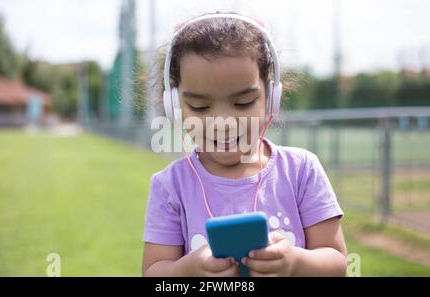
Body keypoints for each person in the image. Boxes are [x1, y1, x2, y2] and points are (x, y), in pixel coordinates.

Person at [142, 12, 347, 277]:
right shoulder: (170, 186)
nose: (223, 122)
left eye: (242, 103)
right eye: (200, 107)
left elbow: (337, 263)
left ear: (271, 98)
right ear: (174, 106)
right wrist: (189, 269)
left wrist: (295, 262)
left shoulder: (301, 170)